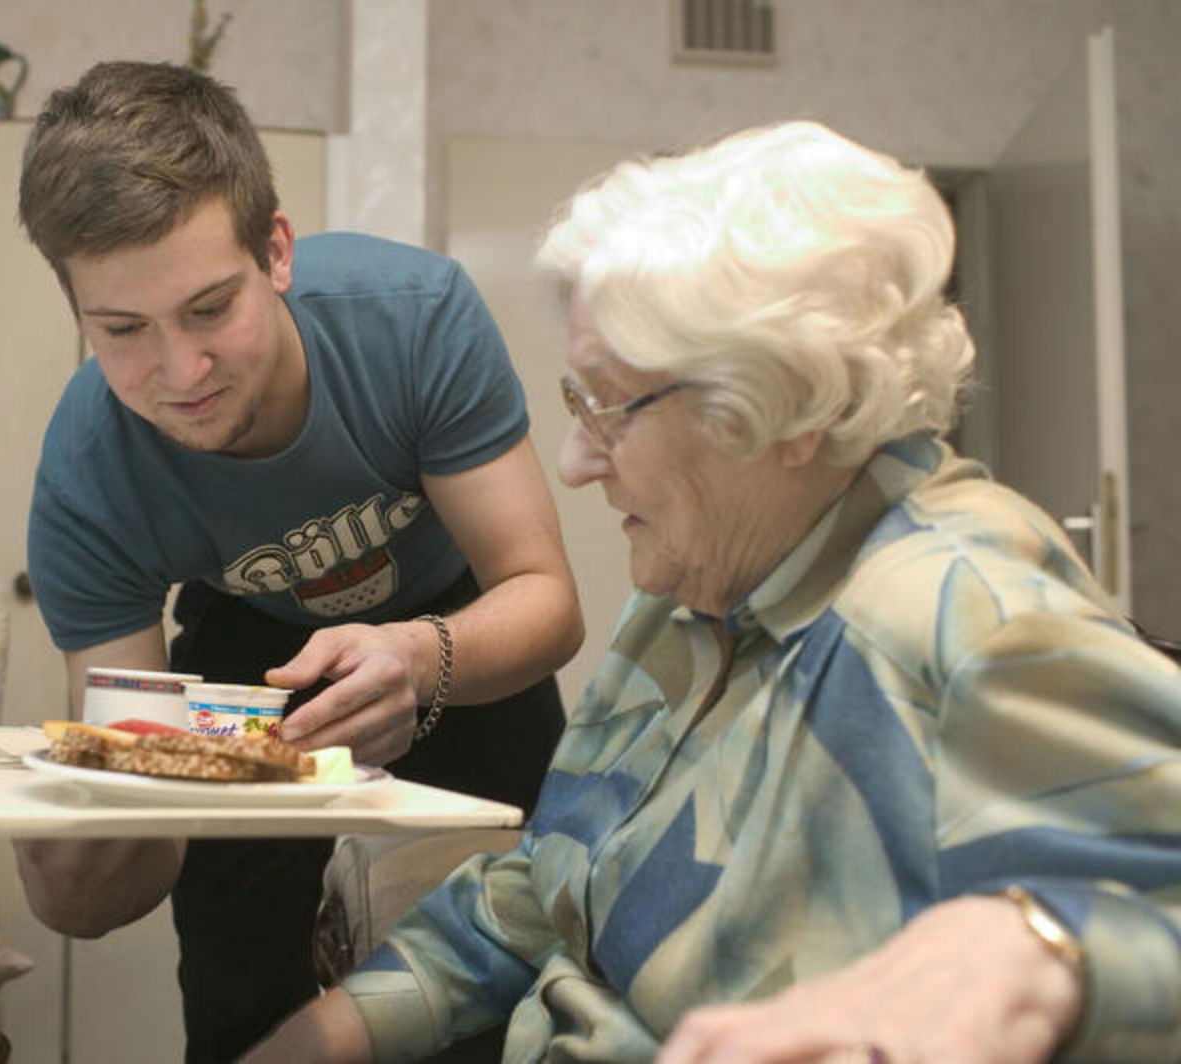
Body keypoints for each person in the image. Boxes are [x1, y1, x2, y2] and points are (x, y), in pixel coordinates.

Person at [244, 120, 1181, 1063]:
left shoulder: (963, 605)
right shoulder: (696, 585)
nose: (574, 463)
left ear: (785, 409)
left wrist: (1040, 951)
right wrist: (324, 1039)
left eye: (608, 407)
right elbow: (542, 891)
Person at [10, 61, 584, 1062]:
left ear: (275, 251)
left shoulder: (413, 317)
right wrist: (81, 846)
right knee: (246, 1002)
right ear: (74, 309)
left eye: (207, 308)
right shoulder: (87, 473)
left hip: (453, 621)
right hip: (245, 654)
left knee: (535, 970)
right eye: (122, 331)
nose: (180, 373)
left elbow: (544, 598)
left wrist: (417, 655)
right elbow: (121, 863)